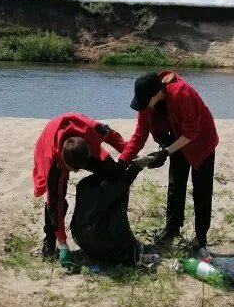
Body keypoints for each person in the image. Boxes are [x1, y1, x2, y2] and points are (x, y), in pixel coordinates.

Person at [119, 71, 218, 256]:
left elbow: (192, 132)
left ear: (158, 93)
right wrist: (122, 161)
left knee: (202, 189)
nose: (142, 106)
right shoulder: (147, 102)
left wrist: (165, 152)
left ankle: (201, 235)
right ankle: (172, 228)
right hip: (177, 138)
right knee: (175, 185)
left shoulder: (182, 93)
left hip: (201, 140)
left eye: (144, 101)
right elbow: (140, 135)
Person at [32, 112, 129, 269]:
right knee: (55, 199)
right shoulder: (54, 168)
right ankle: (49, 238)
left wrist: (128, 152)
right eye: (73, 169)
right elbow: (54, 203)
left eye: (79, 168)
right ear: (64, 163)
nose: (76, 172)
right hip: (49, 142)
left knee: (111, 170)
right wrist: (63, 243)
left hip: (79, 141)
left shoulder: (93, 130)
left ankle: (106, 219)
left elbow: (111, 136)